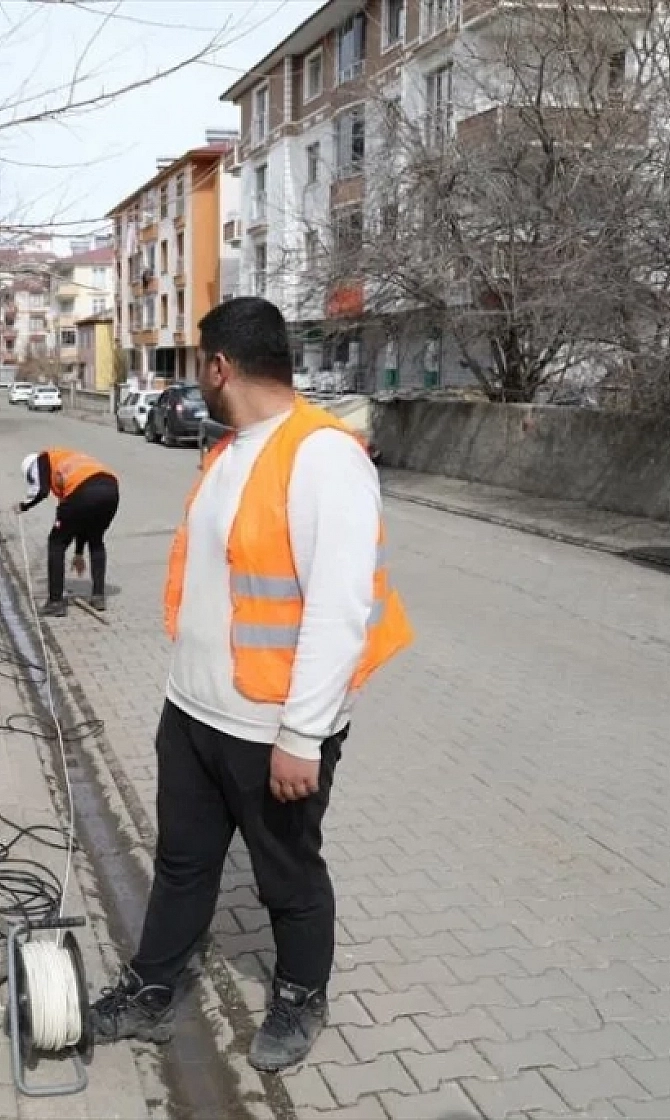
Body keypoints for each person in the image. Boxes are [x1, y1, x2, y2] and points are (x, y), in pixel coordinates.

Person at [89, 296, 413, 1073]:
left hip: (271, 728)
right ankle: (153, 988)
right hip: (194, 713)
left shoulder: (324, 457)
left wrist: (304, 735)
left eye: (200, 364)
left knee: (287, 877)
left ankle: (300, 995)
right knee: (182, 863)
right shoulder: (231, 451)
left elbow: (340, 609)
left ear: (219, 367)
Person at [16, 448, 119, 616]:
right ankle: (98, 596)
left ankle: (55, 602)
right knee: (96, 539)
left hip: (84, 491)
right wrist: (78, 553)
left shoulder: (43, 459)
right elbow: (81, 520)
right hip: (110, 489)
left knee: (56, 543)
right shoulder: (66, 458)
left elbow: (41, 491)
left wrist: (23, 506)